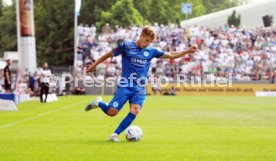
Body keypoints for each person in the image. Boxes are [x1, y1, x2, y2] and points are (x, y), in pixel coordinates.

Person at [84, 26, 197, 142]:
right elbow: (109, 54)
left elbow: (171, 55)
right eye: (147, 40)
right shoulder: (127, 46)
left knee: (135, 109)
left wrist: (187, 51)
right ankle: (99, 102)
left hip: (140, 87)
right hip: (126, 85)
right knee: (111, 112)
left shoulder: (151, 51)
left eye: (150, 42)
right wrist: (94, 65)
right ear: (141, 36)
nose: (148, 44)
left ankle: (114, 134)